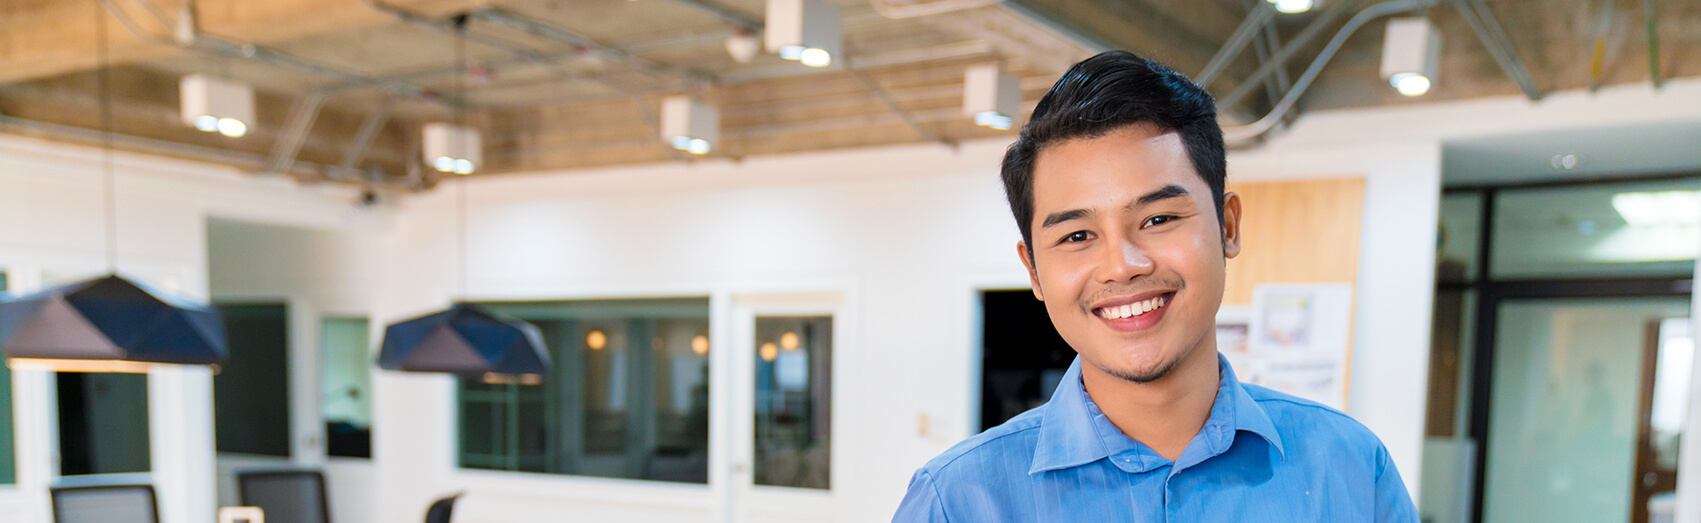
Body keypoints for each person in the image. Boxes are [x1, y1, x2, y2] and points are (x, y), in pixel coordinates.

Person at [891, 51, 1418, 522]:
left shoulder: (1349, 469)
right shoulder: (957, 503)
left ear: (1228, 226)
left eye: (1159, 219)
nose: (1122, 266)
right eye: (1078, 235)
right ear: (1033, 271)